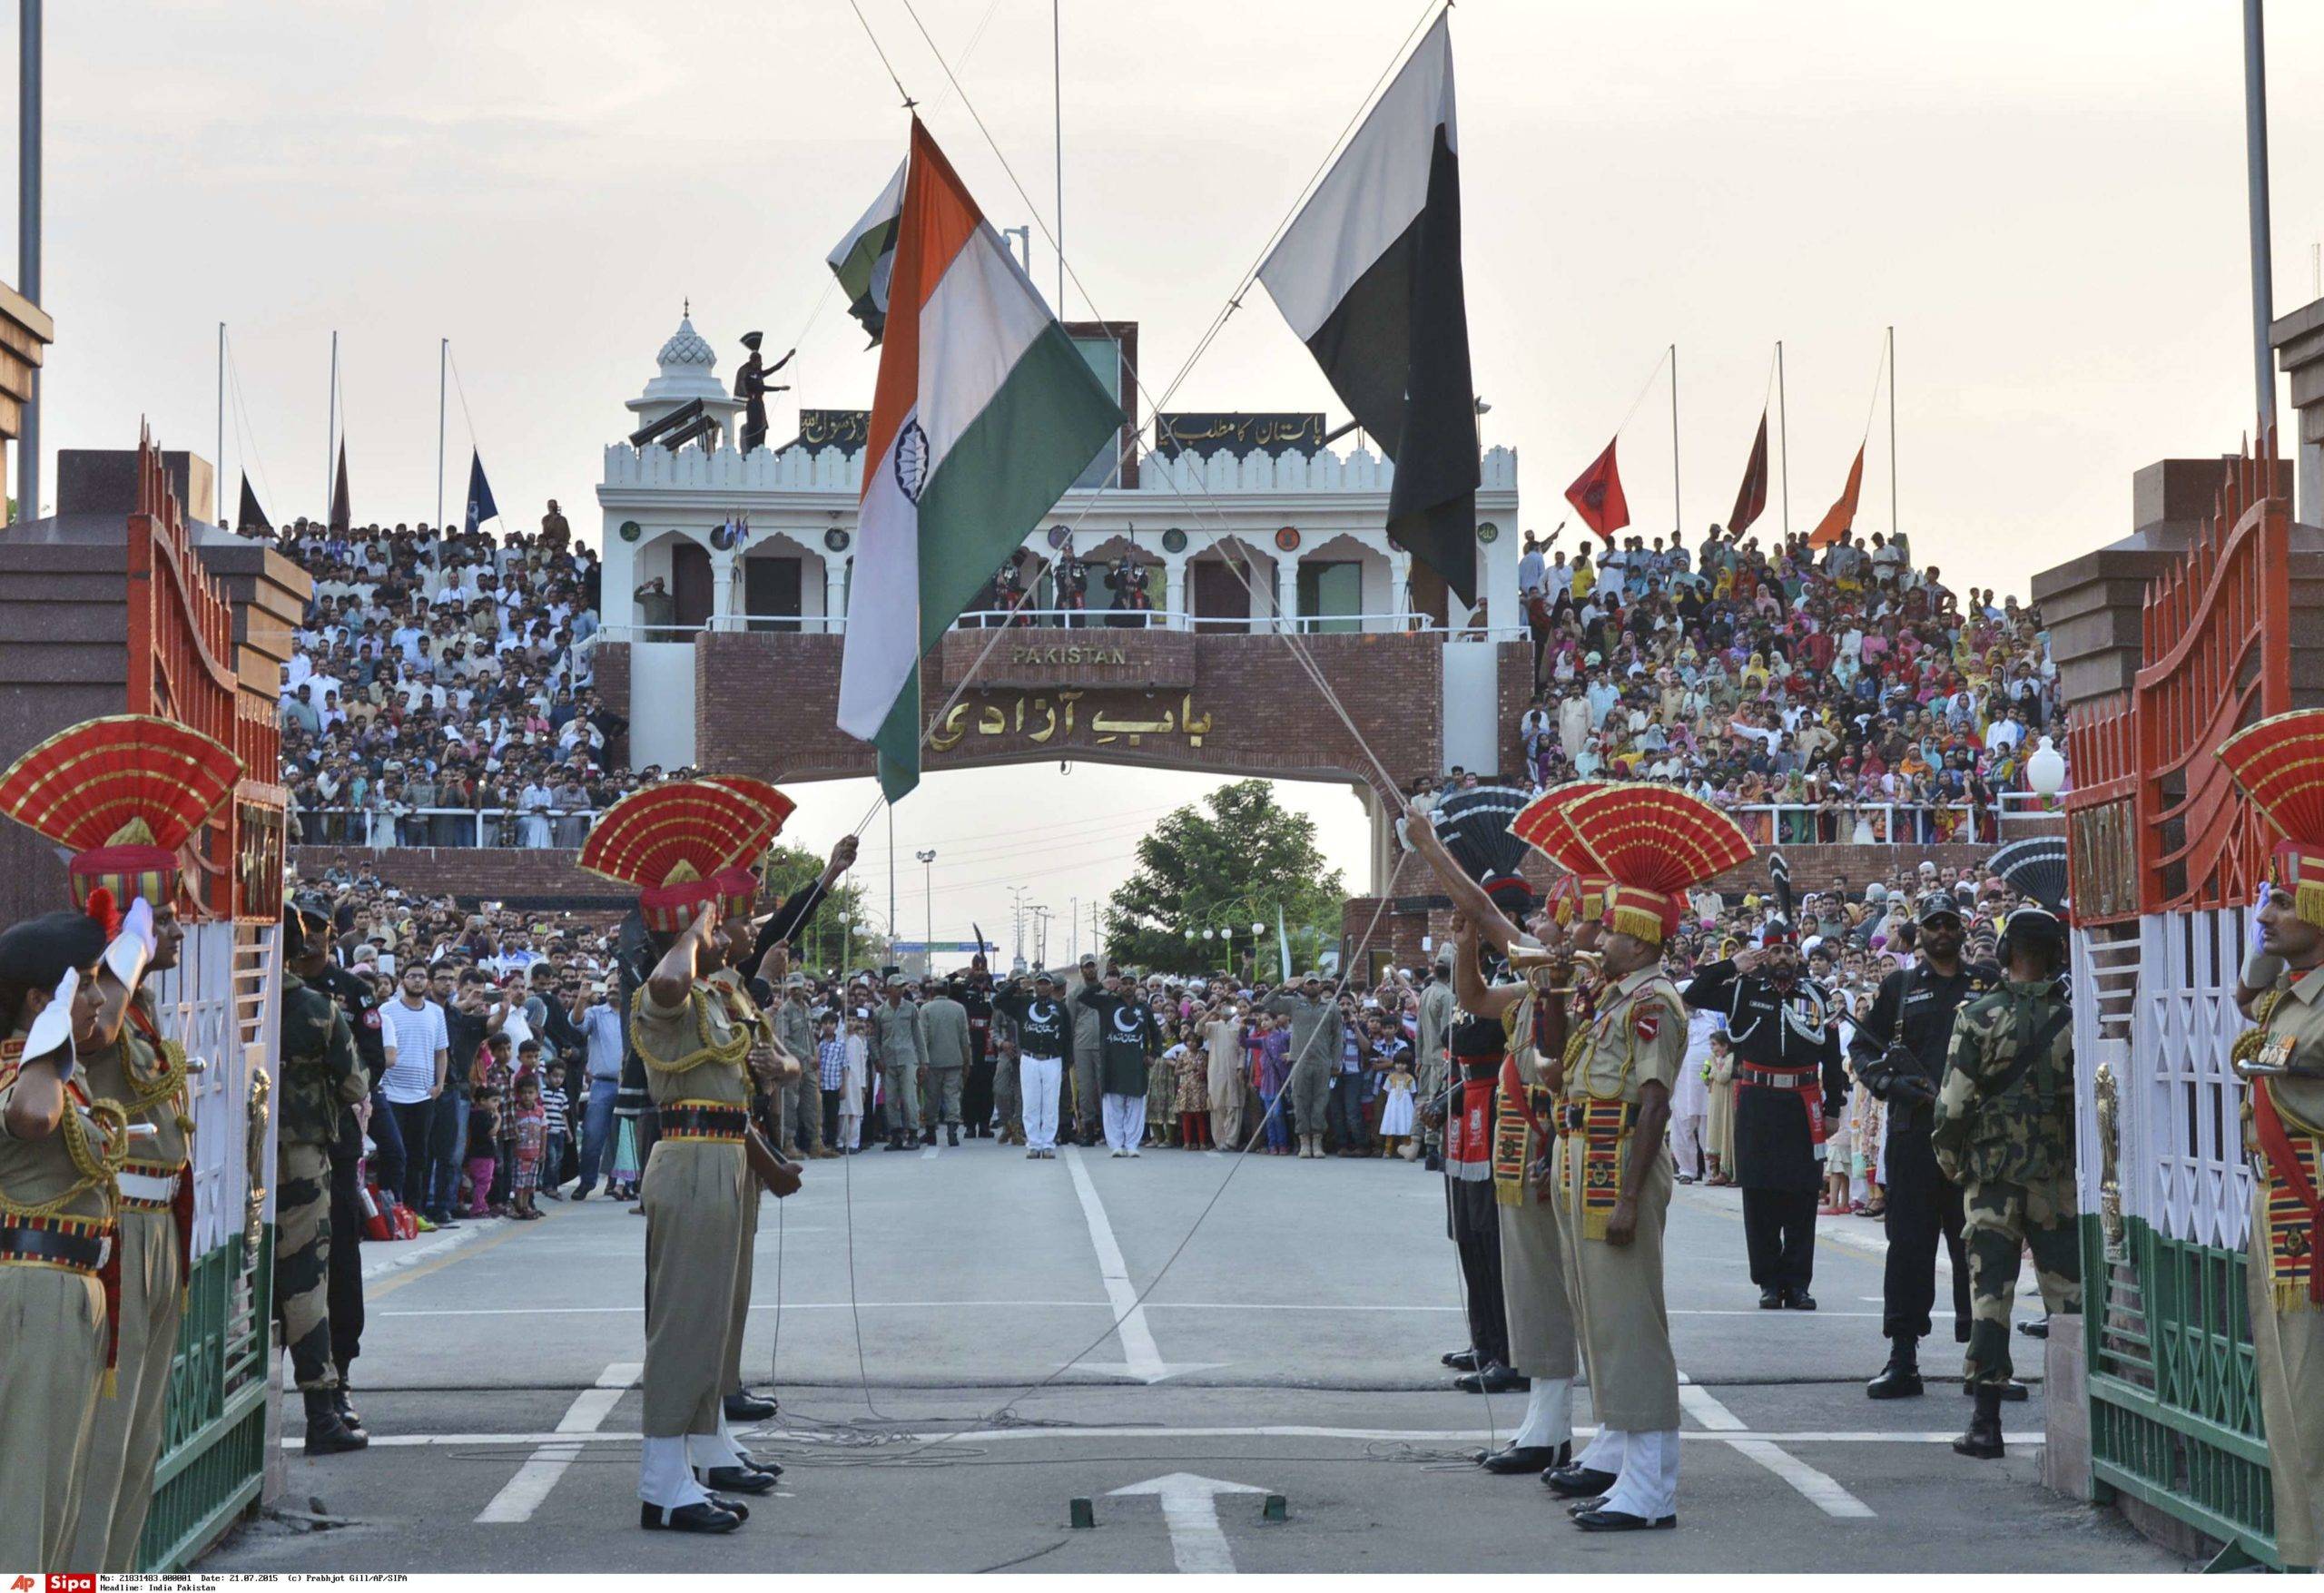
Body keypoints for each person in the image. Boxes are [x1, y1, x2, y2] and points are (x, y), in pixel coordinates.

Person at [0, 713, 242, 1569]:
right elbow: (84, 1033)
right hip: (96, 1243)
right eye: (162, 912)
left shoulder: (130, 1009)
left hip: (140, 1236)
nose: (176, 928)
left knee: (124, 1456)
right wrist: (128, 929)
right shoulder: (84, 1017)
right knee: (79, 1469)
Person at [576, 779, 800, 1532]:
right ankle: (661, 1484)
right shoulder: (660, 991)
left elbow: (748, 1063)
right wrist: (693, 923)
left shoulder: (715, 996)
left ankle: (701, 1447)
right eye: (725, 921)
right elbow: (670, 975)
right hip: (690, 1159)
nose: (739, 931)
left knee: (708, 1318)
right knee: (682, 1322)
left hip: (724, 1157)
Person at [1537, 785, 1753, 1532]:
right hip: (1593, 1156)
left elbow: (1654, 1104)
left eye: (1612, 932)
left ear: (1641, 933)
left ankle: (1652, 1487)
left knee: (1633, 1323)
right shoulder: (1620, 995)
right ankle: (1629, 1467)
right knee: (1604, 1318)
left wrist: (1628, 1197)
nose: (1598, 938)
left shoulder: (1654, 999)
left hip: (1620, 1162)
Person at [2218, 713, 2324, 1567]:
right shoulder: (2292, 986)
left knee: (2309, 1394)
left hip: (2312, 1203)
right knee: (2286, 1394)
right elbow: (2247, 1005)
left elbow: (2295, 1052)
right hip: (2280, 1198)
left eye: (2282, 898)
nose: (2266, 912)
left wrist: (2265, 1052)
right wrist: (2267, 928)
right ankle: (2302, 1547)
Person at [0, 909, 125, 1571]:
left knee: (62, 1497)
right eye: (86, 984)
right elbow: (30, 1118)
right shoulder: (23, 1071)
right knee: (28, 1495)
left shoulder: (62, 1072)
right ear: (40, 1000)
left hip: (73, 1293)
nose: (100, 1000)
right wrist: (44, 1042)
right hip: (34, 1289)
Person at [1931, 900, 2078, 1460]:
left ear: (2008, 953)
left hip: (1991, 1177)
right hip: (2056, 1175)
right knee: (2070, 1298)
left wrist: (1950, 1160)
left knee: (1990, 1294)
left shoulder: (1978, 1015)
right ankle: (2081, 1423)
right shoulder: (2073, 1017)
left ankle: (1986, 1424)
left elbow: (1953, 1104)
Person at [1849, 890, 2001, 1398]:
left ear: (1962, 930)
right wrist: (1890, 1086)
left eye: (1950, 924)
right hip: (1914, 1135)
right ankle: (1902, 1356)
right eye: (1933, 924)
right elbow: (1863, 1049)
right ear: (1920, 932)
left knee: (1976, 1245)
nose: (1942, 932)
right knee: (1909, 1247)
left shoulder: (1987, 983)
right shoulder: (1898, 987)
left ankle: (1983, 1359)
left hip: (1974, 1138)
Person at [1684, 919, 1846, 1310]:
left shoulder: (1816, 995)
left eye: (1788, 951)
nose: (1781, 958)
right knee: (1759, 1194)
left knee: (1803, 1193)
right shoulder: (1743, 991)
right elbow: (1695, 991)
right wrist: (1731, 965)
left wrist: (1833, 1106)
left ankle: (1798, 1281)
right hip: (1758, 1103)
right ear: (1764, 954)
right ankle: (1769, 1281)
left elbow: (1830, 1051)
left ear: (1798, 956)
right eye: (1774, 950)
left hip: (1803, 1105)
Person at [277, 902, 372, 1456]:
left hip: (236, 1161)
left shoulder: (234, 1001)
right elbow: (356, 1085)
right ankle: (322, 1409)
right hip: (306, 1157)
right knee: (307, 1283)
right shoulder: (317, 1008)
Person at [1263, 973, 1343, 1160]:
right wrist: (1283, 987)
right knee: (1300, 1100)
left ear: (1321, 985)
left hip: (1322, 1060)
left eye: (1315, 983)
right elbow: (1267, 1003)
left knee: (1320, 1101)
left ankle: (1317, 1140)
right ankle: (1304, 1141)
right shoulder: (1295, 1003)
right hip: (1299, 1059)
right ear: (1304, 986)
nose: (1312, 987)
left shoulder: (1331, 1007)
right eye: (1309, 984)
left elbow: (1337, 1037)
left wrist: (1336, 1062)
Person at [994, 971, 1071, 1158]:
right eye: (1040, 983)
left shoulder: (1060, 1008)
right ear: (1035, 986)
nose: (1043, 986)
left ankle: (1048, 1144)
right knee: (1031, 1102)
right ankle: (1034, 1143)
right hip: (1029, 1059)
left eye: (1046, 983)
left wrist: (1066, 1065)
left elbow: (1068, 1038)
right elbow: (997, 1001)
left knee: (1051, 1103)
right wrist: (1016, 986)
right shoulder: (1023, 1004)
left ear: (1052, 986)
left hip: (1053, 1059)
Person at [872, 974, 926, 1151]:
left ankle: (913, 1133)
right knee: (890, 1099)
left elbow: (918, 1035)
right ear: (888, 989)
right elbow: (874, 1038)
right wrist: (877, 1058)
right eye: (897, 987)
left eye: (902, 986)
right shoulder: (880, 1012)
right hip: (888, 1060)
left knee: (909, 1098)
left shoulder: (910, 1009)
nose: (901, 990)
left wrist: (923, 1060)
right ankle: (895, 1134)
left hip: (908, 1058)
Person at [919, 977, 972, 1146]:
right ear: (948, 991)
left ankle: (931, 1132)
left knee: (931, 1098)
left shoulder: (925, 1009)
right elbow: (965, 1037)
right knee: (952, 1096)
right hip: (954, 1060)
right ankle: (952, 1131)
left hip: (932, 1061)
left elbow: (923, 1037)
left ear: (932, 992)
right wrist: (967, 1060)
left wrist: (922, 1061)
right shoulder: (959, 1009)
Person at [1067, 954, 1106, 1146]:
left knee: (1104, 1088)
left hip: (1103, 1045)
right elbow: (1070, 1022)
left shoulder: (1105, 991)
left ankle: (1106, 1129)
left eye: (1092, 966)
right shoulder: (1075, 994)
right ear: (1081, 970)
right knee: (1085, 1090)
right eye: (1086, 967)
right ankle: (1088, 1129)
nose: (1090, 970)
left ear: (1097, 968)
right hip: (1081, 1046)